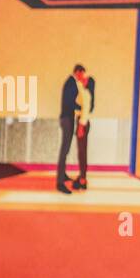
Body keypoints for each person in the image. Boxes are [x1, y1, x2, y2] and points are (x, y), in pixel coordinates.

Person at [57, 64, 94, 194]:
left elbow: (84, 108)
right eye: (82, 75)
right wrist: (78, 109)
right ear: (77, 72)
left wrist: (81, 125)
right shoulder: (72, 83)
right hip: (68, 119)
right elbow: (70, 102)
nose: (82, 79)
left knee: (79, 152)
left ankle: (78, 179)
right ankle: (60, 181)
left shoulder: (83, 90)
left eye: (85, 78)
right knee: (67, 150)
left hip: (79, 122)